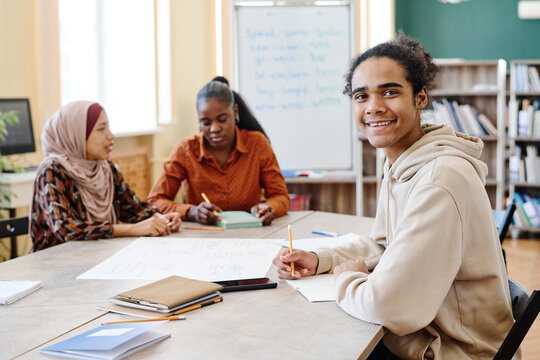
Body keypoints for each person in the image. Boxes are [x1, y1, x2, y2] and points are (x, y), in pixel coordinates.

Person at [273, 33, 516, 359]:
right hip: (428, 334)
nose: (373, 107)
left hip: (457, 351)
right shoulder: (402, 163)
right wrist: (322, 259)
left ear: (420, 98)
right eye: (361, 96)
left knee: (315, 344)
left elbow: (390, 307)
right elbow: (386, 244)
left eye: (390, 92)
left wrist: (349, 279)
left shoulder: (439, 180)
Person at [30, 101, 182, 251]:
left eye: (109, 127)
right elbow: (67, 229)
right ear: (76, 134)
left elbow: (133, 209)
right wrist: (131, 229)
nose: (110, 135)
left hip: (98, 256)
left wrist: (161, 218)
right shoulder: (52, 171)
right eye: (101, 129)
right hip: (55, 263)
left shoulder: (104, 167)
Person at [147, 76, 290, 225]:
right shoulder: (185, 150)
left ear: (235, 112)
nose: (214, 128)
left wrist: (269, 208)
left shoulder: (257, 144)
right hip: (202, 235)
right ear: (199, 122)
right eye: (206, 123)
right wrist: (191, 212)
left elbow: (281, 196)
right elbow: (155, 201)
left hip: (250, 232)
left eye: (222, 119)